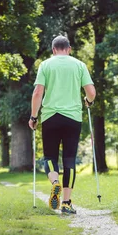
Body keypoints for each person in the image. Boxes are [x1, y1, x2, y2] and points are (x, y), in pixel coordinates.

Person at [29, 35, 96, 215]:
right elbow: (91, 92)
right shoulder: (79, 65)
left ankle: (55, 183)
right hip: (73, 118)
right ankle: (66, 203)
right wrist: (88, 102)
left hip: (51, 117)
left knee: (49, 157)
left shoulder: (46, 65)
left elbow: (37, 92)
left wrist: (33, 117)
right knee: (69, 159)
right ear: (69, 48)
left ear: (53, 50)